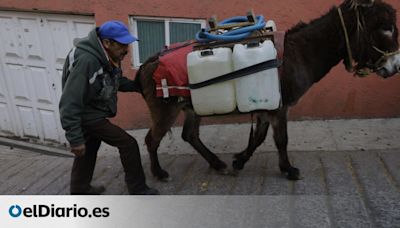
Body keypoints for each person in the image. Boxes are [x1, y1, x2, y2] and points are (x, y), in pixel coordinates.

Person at [59, 20, 159, 195]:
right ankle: (138, 189)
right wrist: (74, 138)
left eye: (126, 45)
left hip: (93, 111)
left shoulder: (109, 56)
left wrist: (140, 86)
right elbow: (69, 102)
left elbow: (115, 80)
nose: (126, 51)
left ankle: (80, 190)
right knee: (128, 144)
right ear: (107, 43)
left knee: (88, 151)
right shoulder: (88, 61)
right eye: (122, 46)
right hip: (87, 115)